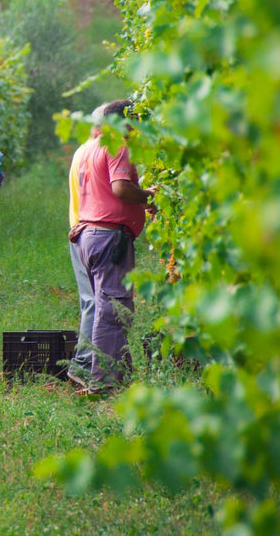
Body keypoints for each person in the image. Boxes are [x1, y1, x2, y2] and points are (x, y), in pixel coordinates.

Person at [68, 99, 156, 394]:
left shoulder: (92, 146)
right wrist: (147, 195)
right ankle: (104, 383)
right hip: (109, 236)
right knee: (112, 310)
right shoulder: (118, 144)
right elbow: (120, 188)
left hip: (90, 235)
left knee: (110, 307)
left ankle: (119, 375)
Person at [64, 105, 104, 389]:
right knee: (93, 301)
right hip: (88, 231)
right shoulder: (97, 151)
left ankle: (88, 362)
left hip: (80, 230)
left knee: (89, 300)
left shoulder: (83, 149)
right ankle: (83, 364)